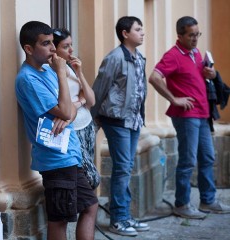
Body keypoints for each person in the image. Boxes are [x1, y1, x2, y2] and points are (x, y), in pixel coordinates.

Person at [15, 21, 98, 240]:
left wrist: (66, 113)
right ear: (29, 49)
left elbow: (70, 108)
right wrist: (61, 73)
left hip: (71, 154)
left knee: (90, 206)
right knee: (59, 220)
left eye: (53, 42)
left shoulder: (47, 71)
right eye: (46, 43)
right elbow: (65, 109)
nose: (53, 48)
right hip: (55, 159)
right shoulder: (28, 78)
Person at [148, 16, 230, 219]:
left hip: (203, 114)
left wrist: (210, 74)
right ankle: (182, 204)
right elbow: (154, 77)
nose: (195, 39)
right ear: (180, 35)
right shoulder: (173, 55)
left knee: (208, 157)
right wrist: (174, 99)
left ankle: (207, 200)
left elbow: (197, 77)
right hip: (186, 116)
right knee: (188, 160)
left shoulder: (196, 53)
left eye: (197, 34)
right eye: (191, 35)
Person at [91, 16, 149, 236]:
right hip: (116, 120)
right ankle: (118, 219)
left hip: (133, 120)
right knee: (123, 168)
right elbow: (100, 87)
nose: (142, 33)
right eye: (138, 29)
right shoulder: (115, 57)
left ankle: (125, 215)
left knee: (126, 167)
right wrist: (92, 119)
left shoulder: (139, 57)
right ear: (125, 33)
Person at [52, 28, 100, 189]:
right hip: (73, 129)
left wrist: (79, 72)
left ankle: (88, 210)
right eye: (66, 46)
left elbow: (91, 100)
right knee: (91, 178)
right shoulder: (52, 73)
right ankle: (86, 209)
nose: (71, 50)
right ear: (55, 48)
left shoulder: (71, 67)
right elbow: (64, 106)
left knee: (89, 175)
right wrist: (80, 102)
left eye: (71, 45)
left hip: (87, 125)